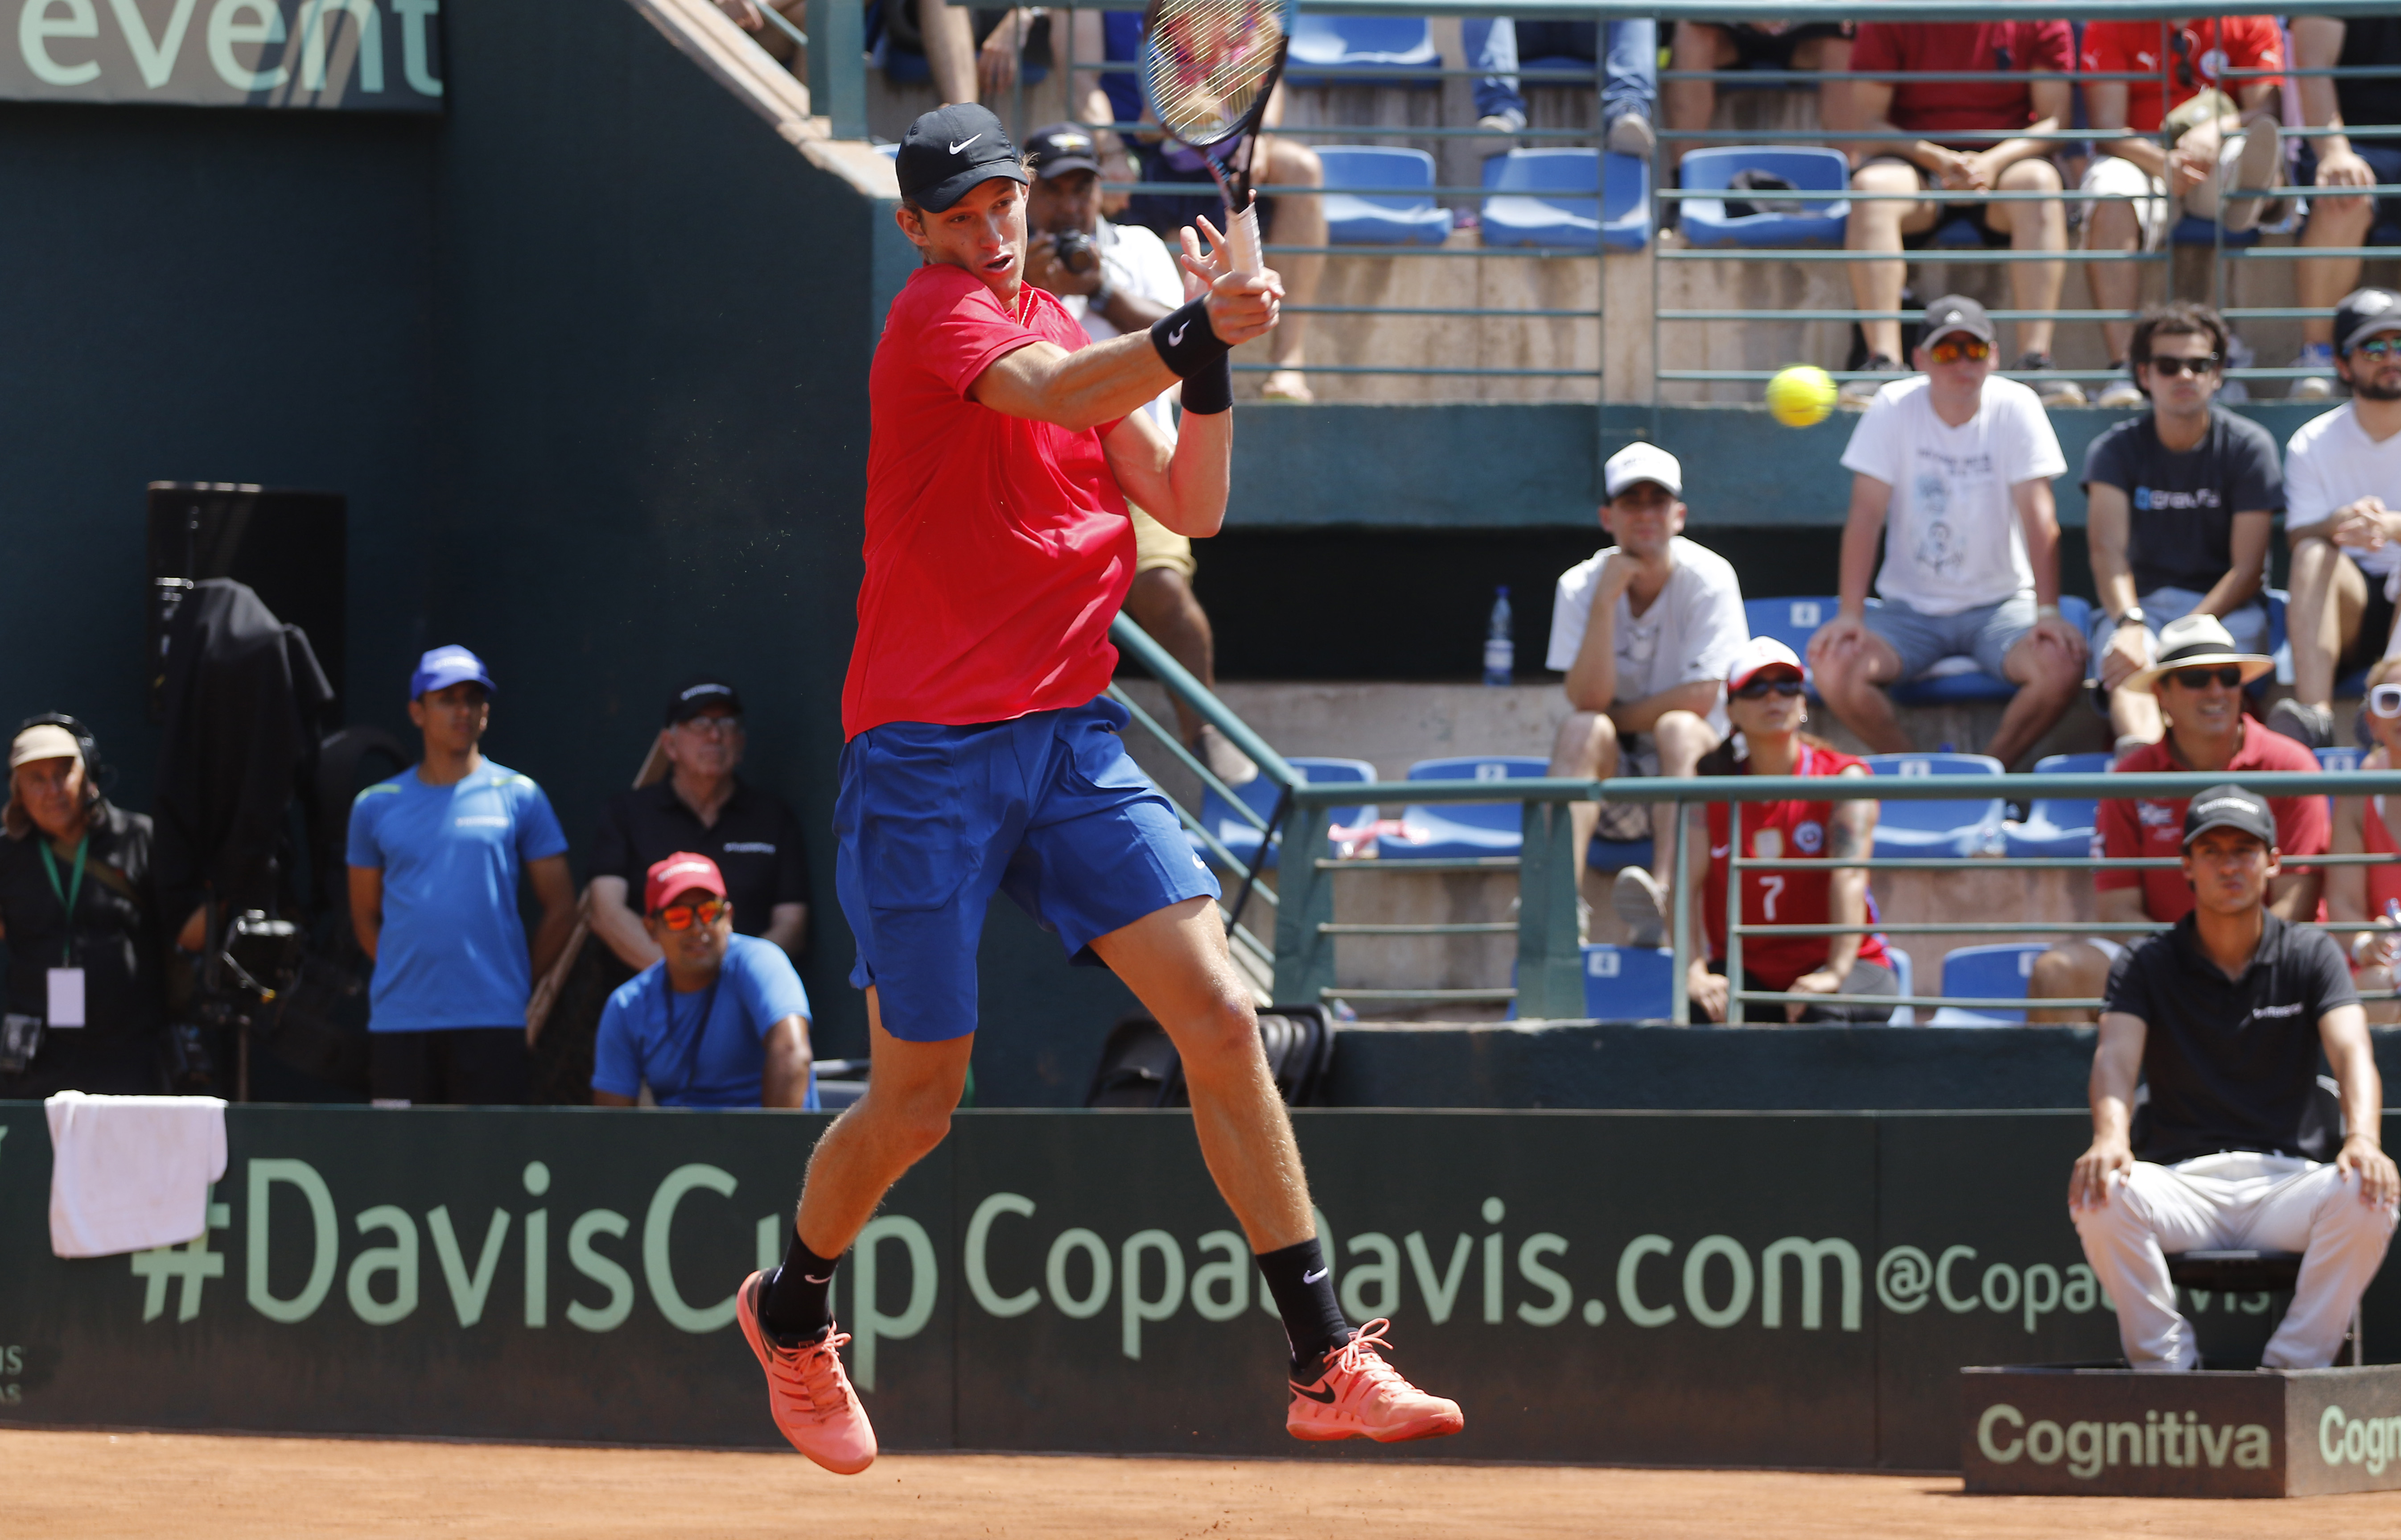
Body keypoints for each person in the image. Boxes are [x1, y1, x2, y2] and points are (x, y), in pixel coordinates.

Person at [733, 106, 1458, 1475]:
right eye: (960, 212)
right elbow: (1057, 400)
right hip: (924, 752)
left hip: (1068, 738)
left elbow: (1193, 502)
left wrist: (1212, 360)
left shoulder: (1076, 337)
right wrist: (1197, 331)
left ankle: (1320, 1357)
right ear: (918, 231)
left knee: (1226, 1019)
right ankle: (790, 1305)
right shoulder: (937, 324)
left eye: (1003, 199)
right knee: (920, 1099)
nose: (991, 226)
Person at [2069, 783, 2397, 1372]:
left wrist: (2363, 1140)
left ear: (2272, 861)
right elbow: (2114, 1059)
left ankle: (2290, 1376)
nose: (2229, 864)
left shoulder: (2310, 953)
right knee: (2100, 1194)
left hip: (2287, 1182)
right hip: (2179, 1183)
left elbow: (2352, 1053)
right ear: (2186, 866)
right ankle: (2169, 1372)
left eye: (2244, 850)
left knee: (2369, 1194)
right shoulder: (2146, 961)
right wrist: (2110, 1138)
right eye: (2212, 850)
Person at [1020, 121, 1257, 788]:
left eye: (1081, 188)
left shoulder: (1137, 249)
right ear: (1028, 195)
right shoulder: (1009, 265)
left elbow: (1186, 339)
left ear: (1101, 188)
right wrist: (1032, 286)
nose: (1069, 205)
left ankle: (1203, 727)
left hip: (1139, 466)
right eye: (1054, 190)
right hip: (1046, 476)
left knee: (1164, 594)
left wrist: (1098, 292)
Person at [1808, 295, 2086, 768]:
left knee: (2062, 666)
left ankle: (1983, 782)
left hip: (2002, 607)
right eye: (1946, 351)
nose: (1962, 362)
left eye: (1974, 350)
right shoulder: (1893, 406)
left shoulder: (2017, 404)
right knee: (1834, 669)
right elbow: (1865, 517)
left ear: (1995, 356)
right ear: (1920, 360)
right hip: (1907, 612)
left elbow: (2041, 519)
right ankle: (1924, 781)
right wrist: (1850, 614)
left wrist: (2048, 611)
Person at [2026, 614, 2326, 1022]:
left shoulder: (2291, 766)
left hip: (2273, 957)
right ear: (2160, 694)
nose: (2216, 690)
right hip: (2164, 956)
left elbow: (2296, 904)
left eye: (2228, 676)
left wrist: (2235, 963)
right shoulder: (2129, 780)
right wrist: (2188, 961)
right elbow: (2116, 910)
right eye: (2196, 678)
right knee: (2056, 975)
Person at [346, 646, 577, 1106]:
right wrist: (410, 973)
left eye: (473, 699)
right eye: (447, 699)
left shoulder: (521, 796)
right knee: (402, 1164)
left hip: (493, 1025)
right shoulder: (374, 805)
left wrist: (513, 980)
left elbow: (562, 908)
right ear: (418, 711)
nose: (463, 710)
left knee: (489, 1167)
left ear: (486, 712)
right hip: (400, 1025)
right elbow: (365, 916)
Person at [1545, 442, 1747, 947]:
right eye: (1631, 501)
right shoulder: (1579, 585)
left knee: (1677, 727)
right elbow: (1588, 702)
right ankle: (1557, 907)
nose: (1645, 514)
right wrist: (1605, 602)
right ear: (1607, 517)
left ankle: (1660, 898)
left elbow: (1702, 698)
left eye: (1657, 501)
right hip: (1621, 784)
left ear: (1678, 514)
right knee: (1581, 730)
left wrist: (1618, 716)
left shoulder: (1711, 576)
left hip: (1701, 784)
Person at [1079, 14, 1323, 401]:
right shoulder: (1160, 47)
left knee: (1298, 173)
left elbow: (1267, 87)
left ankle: (1286, 364)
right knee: (1190, 251)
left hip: (1226, 168)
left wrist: (1259, 139)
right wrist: (1177, 117)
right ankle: (1181, 369)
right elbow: (1144, 124)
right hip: (1159, 167)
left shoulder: (1256, 33)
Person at [1839, 21, 2081, 407]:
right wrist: (1936, 159)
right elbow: (1867, 125)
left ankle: (2036, 365)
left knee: (2039, 182)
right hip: (1915, 164)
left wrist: (1992, 162)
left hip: (2005, 165)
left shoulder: (2039, 14)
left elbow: (2054, 122)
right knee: (1871, 188)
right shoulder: (1888, 13)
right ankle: (1883, 365)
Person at [2083, 304, 2279, 751]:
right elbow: (2105, 551)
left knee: (2201, 664)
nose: (2185, 376)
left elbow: (2247, 570)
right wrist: (2131, 623)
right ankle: (2150, 770)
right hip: (2140, 609)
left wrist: (2188, 630)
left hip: (2227, 613)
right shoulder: (2113, 450)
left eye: (2199, 364)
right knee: (2124, 657)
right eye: (2169, 366)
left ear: (2218, 373)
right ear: (2144, 375)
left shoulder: (2249, 446)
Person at [1684, 639, 1896, 1025]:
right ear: (1731, 710)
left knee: (1822, 1013)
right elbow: (1685, 884)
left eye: (1786, 685)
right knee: (1700, 1010)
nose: (1773, 697)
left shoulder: (1842, 777)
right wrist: (1694, 970)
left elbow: (1848, 876)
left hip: (1850, 962)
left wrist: (1833, 972)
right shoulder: (1709, 788)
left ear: (1802, 703)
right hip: (1749, 967)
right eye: (1755, 687)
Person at [2077, 17, 2287, 404]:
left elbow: (2265, 109)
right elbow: (2107, 127)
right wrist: (2162, 163)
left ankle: (2252, 194)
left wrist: (2218, 127)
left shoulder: (2249, 18)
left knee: (2251, 148)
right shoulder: (2111, 18)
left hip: (2214, 156)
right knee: (2110, 193)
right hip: (2141, 160)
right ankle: (2123, 373)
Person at [0, 718, 184, 1096]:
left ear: (88, 777)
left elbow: (185, 929)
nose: (53, 790)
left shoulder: (139, 838)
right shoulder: (6, 855)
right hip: (37, 1059)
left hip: (128, 1055)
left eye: (63, 773)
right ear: (17, 791)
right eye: (36, 778)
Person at [589, 676, 811, 974]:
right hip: (653, 1001)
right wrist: (682, 978)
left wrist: (737, 981)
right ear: (669, 745)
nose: (715, 736)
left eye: (727, 724)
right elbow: (605, 913)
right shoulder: (626, 814)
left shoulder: (774, 817)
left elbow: (792, 924)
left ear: (742, 742)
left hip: (744, 999)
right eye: (699, 724)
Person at [2274, 287, 2401, 750]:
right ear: (2344, 365)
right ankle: (2316, 718)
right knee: (2312, 551)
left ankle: (2391, 705)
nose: (2391, 357)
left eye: (2400, 344)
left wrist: (2392, 527)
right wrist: (2336, 523)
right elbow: (2299, 535)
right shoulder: (2313, 440)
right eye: (2373, 347)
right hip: (2347, 615)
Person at [593, 853, 816, 1109]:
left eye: (710, 912)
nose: (698, 928)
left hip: (765, 1143)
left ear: (729, 918)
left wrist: (769, 1146)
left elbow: (792, 1053)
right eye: (679, 917)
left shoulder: (760, 961)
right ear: (651, 929)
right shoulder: (626, 1005)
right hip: (680, 1146)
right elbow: (612, 1124)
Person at [2288, 16, 2401, 398]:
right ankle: (2317, 359)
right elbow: (2313, 67)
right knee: (2343, 195)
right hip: (2353, 141)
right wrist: (2335, 151)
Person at [1664, 21, 1853, 168]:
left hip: (1807, 28)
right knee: (1692, 34)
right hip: (1728, 24)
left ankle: (1850, 183)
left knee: (1843, 42)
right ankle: (1683, 183)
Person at [1465, 17, 1656, 156]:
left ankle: (1626, 114)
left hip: (1591, 22)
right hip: (1523, 24)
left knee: (1634, 4)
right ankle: (1500, 117)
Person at [2327, 670, 2401, 1023]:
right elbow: (2342, 903)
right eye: (2391, 699)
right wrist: (2364, 943)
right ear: (2372, 723)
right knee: (2374, 988)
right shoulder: (2357, 794)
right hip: (2388, 971)